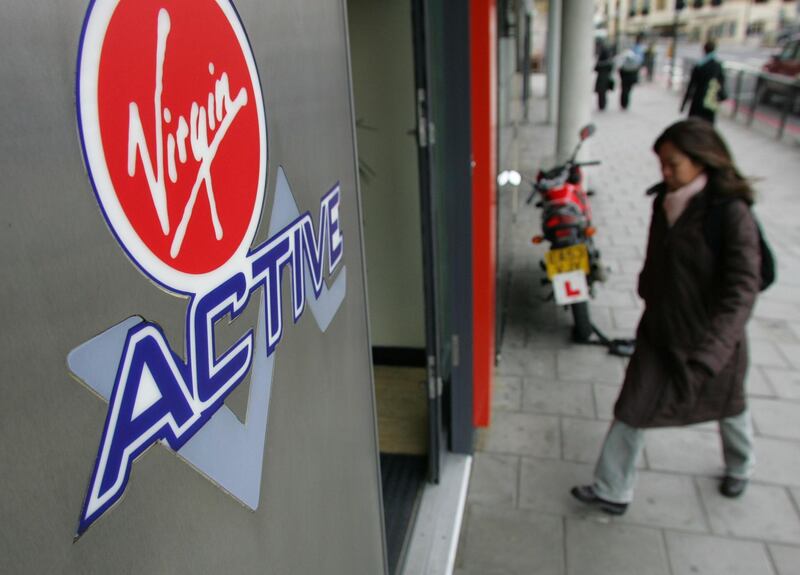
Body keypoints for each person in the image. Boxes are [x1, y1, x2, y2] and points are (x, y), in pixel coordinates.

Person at [571, 119, 761, 516]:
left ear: (702, 160)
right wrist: (647, 288)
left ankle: (740, 465)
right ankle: (612, 488)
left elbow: (741, 290)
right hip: (660, 329)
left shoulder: (730, 212)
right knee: (633, 406)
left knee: (728, 406)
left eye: (673, 164)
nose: (666, 173)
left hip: (709, 338)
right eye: (662, 164)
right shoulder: (665, 200)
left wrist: (712, 353)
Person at [681, 40, 727, 124]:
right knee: (707, 128)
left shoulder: (699, 65)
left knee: (693, 126)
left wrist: (684, 104)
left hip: (698, 100)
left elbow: (691, 85)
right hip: (710, 99)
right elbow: (721, 83)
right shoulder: (718, 65)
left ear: (704, 50)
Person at [618, 34, 645, 110]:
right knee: (627, 89)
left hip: (626, 72)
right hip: (631, 72)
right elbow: (639, 61)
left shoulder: (633, 49)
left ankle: (624, 103)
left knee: (625, 89)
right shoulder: (638, 49)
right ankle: (625, 103)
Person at [594, 42, 615, 111]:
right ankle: (603, 105)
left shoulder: (601, 62)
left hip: (601, 78)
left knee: (601, 93)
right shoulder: (609, 61)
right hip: (606, 78)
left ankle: (601, 105)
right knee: (604, 93)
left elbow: (595, 68)